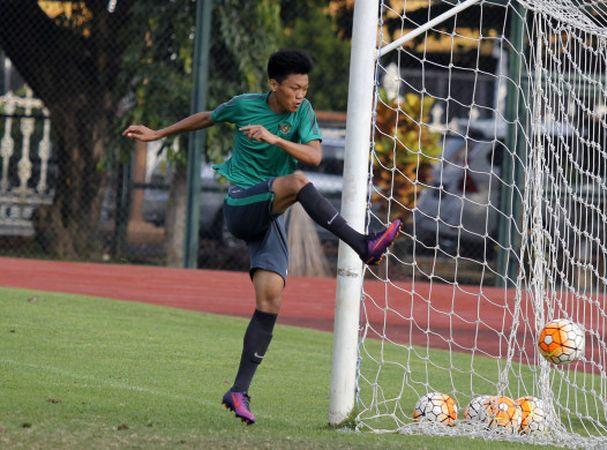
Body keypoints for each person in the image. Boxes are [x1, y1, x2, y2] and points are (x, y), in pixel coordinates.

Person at [123, 49, 401, 425]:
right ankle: (362, 244)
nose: (300, 95)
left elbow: (314, 156)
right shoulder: (245, 105)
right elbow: (207, 117)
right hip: (241, 203)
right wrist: (159, 133)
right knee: (299, 182)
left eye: (305, 88)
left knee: (270, 299)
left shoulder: (303, 112)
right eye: (293, 88)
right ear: (273, 85)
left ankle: (238, 390)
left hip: (272, 214)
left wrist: (275, 139)